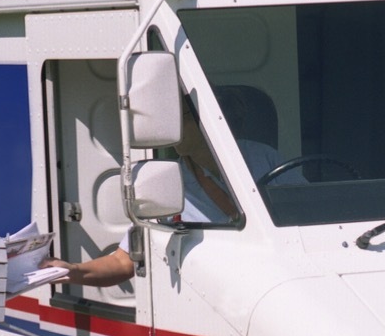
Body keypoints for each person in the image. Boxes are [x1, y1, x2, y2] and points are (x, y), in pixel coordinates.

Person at [46, 92, 283, 287]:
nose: (171, 129)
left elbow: (302, 208)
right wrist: (73, 270)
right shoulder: (165, 181)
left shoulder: (264, 157)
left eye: (180, 117)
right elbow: (123, 261)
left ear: (210, 122)